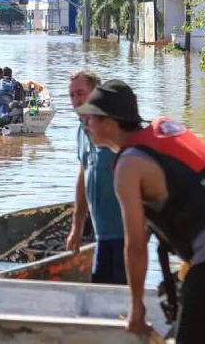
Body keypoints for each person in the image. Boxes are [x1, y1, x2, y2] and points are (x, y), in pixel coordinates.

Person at [76, 80, 205, 343]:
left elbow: (135, 246)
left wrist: (136, 306)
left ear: (110, 122)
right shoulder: (161, 131)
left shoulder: (128, 166)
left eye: (90, 119)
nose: (85, 126)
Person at [65, 70, 127, 285]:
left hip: (125, 237)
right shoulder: (82, 131)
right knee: (101, 300)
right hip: (102, 237)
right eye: (71, 95)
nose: (76, 100)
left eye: (81, 93)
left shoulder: (113, 129)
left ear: (96, 94)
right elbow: (84, 176)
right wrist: (77, 226)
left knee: (119, 301)